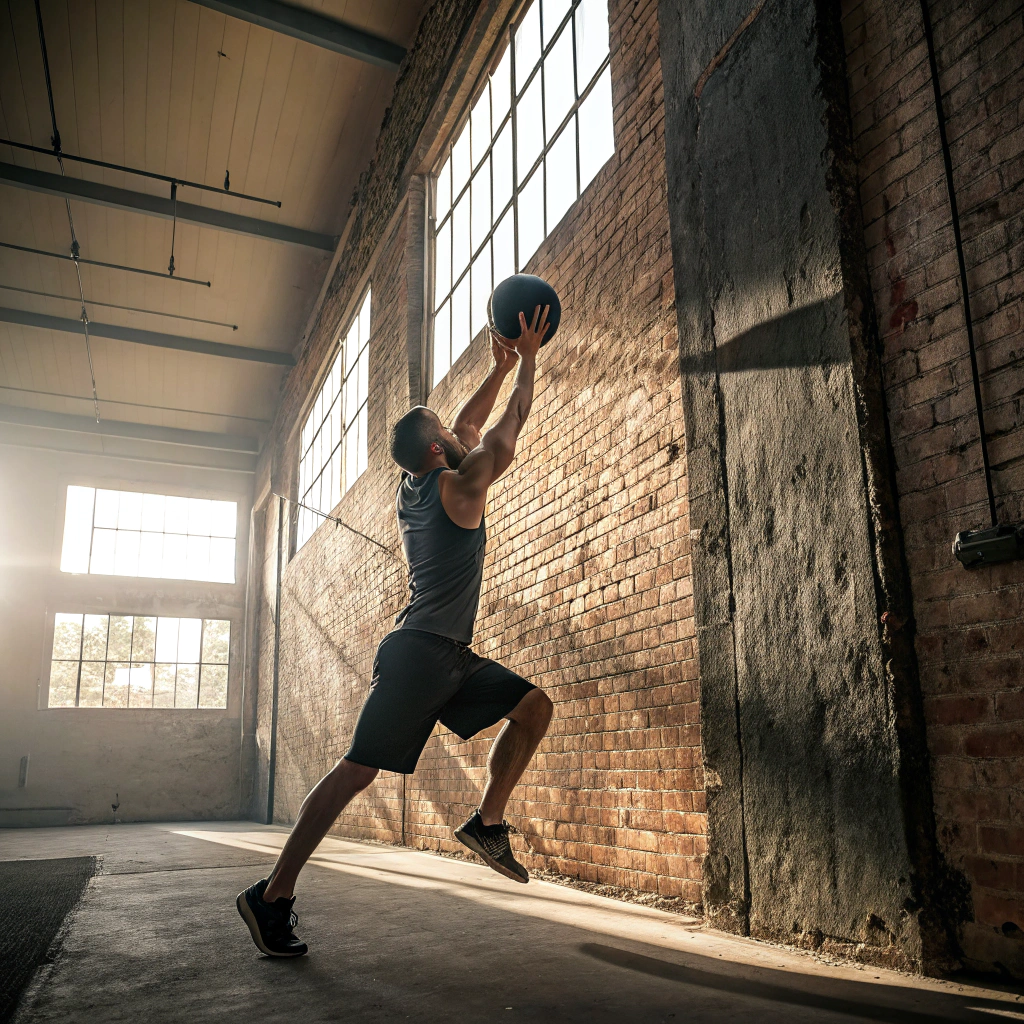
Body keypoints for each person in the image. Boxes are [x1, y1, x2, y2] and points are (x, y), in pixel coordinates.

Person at [237, 305, 555, 957]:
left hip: (448, 656)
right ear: (437, 451)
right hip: (419, 657)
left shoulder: (417, 485)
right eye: (445, 432)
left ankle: (487, 822)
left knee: (533, 707)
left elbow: (467, 425)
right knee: (357, 771)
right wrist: (526, 360)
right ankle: (270, 896)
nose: (457, 430)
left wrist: (495, 371)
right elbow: (505, 429)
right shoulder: (460, 489)